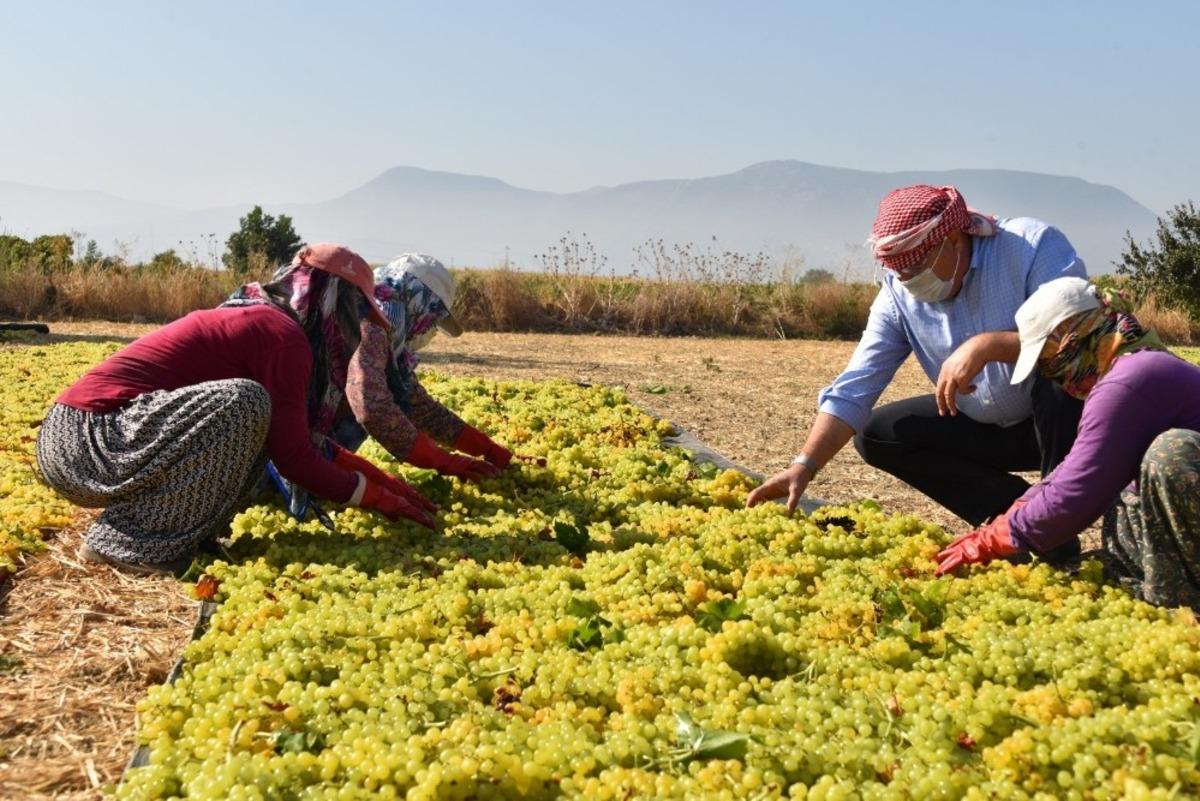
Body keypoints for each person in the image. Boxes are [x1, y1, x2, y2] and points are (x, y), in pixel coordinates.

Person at [37, 243, 435, 575]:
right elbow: (295, 461)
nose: (356, 327)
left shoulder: (268, 323)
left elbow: (295, 443)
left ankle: (174, 534)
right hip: (85, 442)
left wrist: (382, 482)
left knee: (257, 424)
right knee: (245, 402)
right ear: (334, 300)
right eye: (356, 311)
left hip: (99, 439)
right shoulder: (281, 336)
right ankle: (128, 544)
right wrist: (376, 498)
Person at [747, 184, 1087, 553]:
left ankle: (1055, 519)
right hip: (991, 429)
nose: (907, 278)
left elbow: (1084, 337)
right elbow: (854, 387)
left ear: (954, 239)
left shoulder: (1030, 247)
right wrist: (804, 465)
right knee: (880, 433)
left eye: (916, 265)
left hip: (1071, 426)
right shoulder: (898, 296)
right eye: (898, 269)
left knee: (1060, 376)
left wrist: (990, 345)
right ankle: (1021, 520)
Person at [936, 277, 1200, 608]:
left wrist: (991, 542)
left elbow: (1079, 491)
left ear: (1069, 339)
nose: (1050, 372)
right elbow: (1075, 468)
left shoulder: (1129, 381)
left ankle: (1179, 604)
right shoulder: (1128, 366)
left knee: (1172, 453)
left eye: (1046, 358)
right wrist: (1016, 512)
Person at [335, 253, 512, 478]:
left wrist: (486, 448)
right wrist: (442, 461)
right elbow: (372, 406)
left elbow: (417, 405)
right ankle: (306, 477)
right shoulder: (375, 322)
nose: (429, 329)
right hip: (291, 433)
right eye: (432, 319)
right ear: (421, 304)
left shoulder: (389, 328)